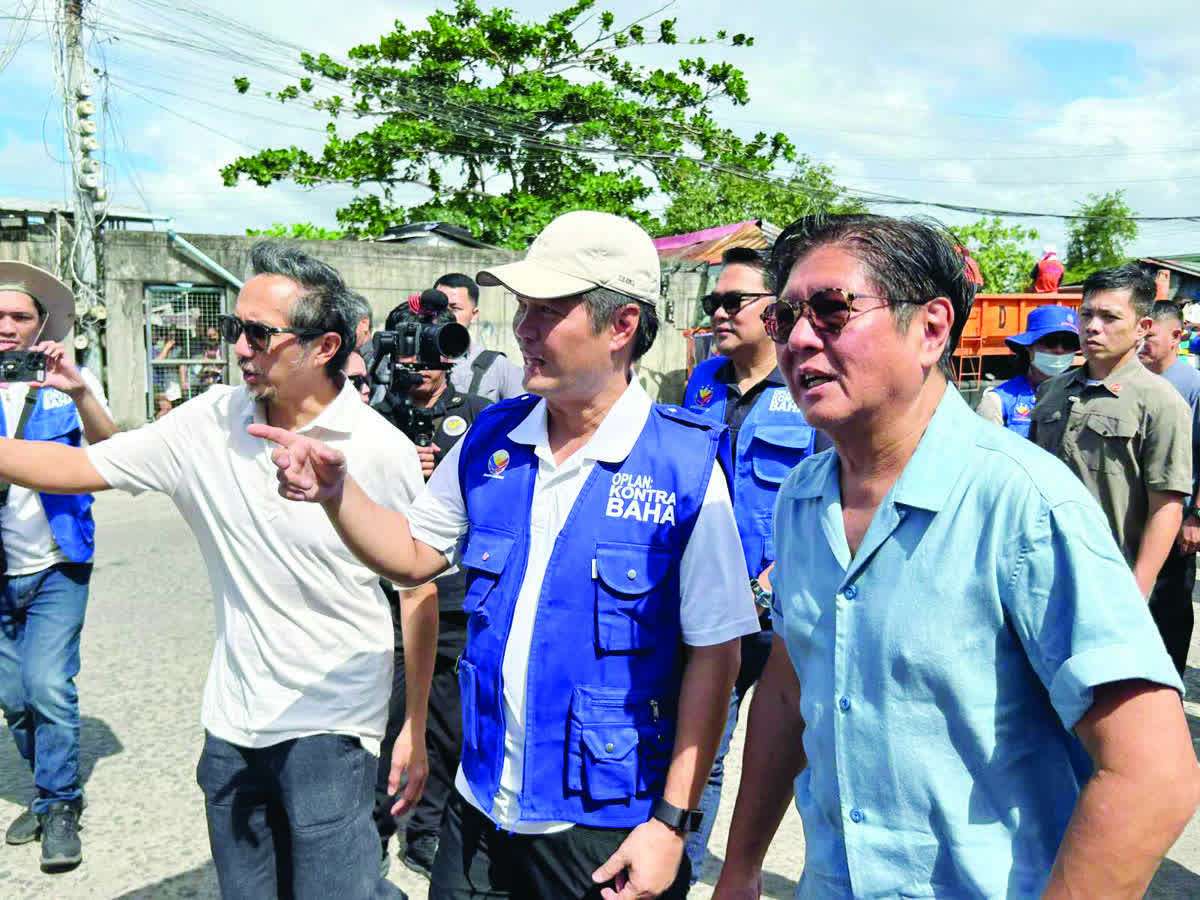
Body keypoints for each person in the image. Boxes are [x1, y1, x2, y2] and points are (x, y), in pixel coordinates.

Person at [253, 210, 761, 900]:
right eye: (523, 309)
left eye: (548, 312)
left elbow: (717, 654)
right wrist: (338, 494)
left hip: (606, 825)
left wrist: (671, 823)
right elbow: (410, 557)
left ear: (620, 327)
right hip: (482, 804)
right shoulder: (493, 439)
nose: (523, 329)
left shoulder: (685, 466)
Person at [714, 214, 1198, 899]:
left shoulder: (1024, 507)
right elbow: (791, 688)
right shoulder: (803, 497)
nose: (796, 338)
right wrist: (740, 866)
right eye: (788, 314)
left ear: (932, 329)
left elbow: (1154, 775)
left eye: (830, 310)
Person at [0, 242, 433, 899]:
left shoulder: (380, 449)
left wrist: (416, 727)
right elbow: (76, 468)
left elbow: (417, 588)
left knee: (333, 891)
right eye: (236, 328)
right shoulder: (206, 422)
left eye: (260, 333)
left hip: (334, 713)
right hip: (234, 714)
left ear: (323, 347)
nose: (240, 346)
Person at [679, 246, 816, 882]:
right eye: (713, 302)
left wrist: (772, 582)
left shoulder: (812, 387)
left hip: (780, 611)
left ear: (776, 310)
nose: (719, 313)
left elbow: (829, 500)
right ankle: (677, 871)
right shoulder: (702, 381)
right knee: (700, 746)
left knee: (796, 748)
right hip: (709, 605)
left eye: (734, 301)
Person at [0, 261, 117, 873]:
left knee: (47, 686)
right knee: (14, 699)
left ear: (40, 325)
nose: (6, 327)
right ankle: (47, 793)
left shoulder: (67, 379)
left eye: (19, 316)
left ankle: (58, 804)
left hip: (56, 563)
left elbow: (112, 449)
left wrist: (76, 391)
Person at [369, 301, 492, 878]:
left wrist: (444, 467)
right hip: (384, 596)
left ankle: (427, 831)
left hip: (454, 597)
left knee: (446, 730)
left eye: (434, 354)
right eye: (410, 354)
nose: (420, 367)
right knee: (383, 721)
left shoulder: (480, 418)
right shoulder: (373, 418)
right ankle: (371, 826)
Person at [1031, 264, 1193, 599]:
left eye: (1109, 317)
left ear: (1142, 328)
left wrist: (1137, 590)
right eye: (1086, 314)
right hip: (1042, 571)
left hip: (1109, 581)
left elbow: (1167, 507)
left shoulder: (1161, 403)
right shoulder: (1052, 392)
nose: (1092, 327)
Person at [1139, 301, 1200, 674]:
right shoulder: (1134, 381)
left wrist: (1196, 516)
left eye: (1151, 336)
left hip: (1178, 517)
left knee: (1171, 609)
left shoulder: (1192, 387)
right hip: (1136, 515)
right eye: (1140, 335)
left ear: (1177, 336)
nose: (1143, 343)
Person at [975, 305, 1079, 437]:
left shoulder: (1084, 399)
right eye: (1050, 342)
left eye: (1068, 343)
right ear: (1029, 348)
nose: (1059, 350)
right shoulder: (997, 402)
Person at [434, 273, 524, 403]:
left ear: (474, 314)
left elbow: (523, 416)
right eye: (440, 307)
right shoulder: (411, 361)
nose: (445, 316)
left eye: (454, 308)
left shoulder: (497, 366)